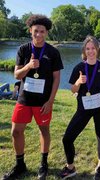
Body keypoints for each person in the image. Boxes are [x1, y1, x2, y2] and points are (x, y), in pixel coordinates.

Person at [2, 14, 63, 180]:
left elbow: (57, 78)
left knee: (44, 130)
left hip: (43, 101)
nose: (39, 34)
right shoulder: (23, 49)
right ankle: (20, 164)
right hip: (24, 99)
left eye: (42, 31)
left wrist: (50, 101)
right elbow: (16, 75)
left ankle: (43, 164)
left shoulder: (53, 52)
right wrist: (28, 66)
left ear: (46, 33)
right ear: (30, 31)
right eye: (36, 31)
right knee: (16, 131)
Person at [60, 36, 100, 180]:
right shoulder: (79, 67)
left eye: (93, 48)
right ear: (84, 50)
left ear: (97, 49)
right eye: (88, 48)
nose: (91, 51)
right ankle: (70, 167)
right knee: (67, 139)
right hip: (83, 109)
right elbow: (72, 89)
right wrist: (78, 82)